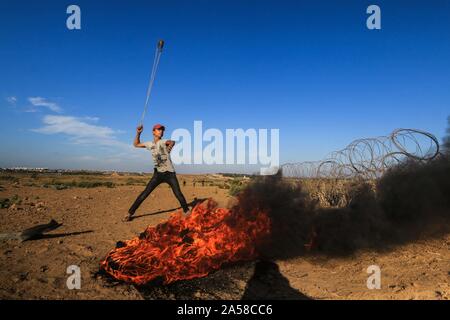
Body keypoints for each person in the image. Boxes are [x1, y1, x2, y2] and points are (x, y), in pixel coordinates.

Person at [123, 123, 190, 221]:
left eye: (162, 130)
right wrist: (138, 133)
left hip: (169, 173)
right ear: (153, 132)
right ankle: (129, 213)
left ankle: (187, 211)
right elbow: (136, 144)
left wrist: (169, 148)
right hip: (158, 174)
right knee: (145, 193)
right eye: (158, 129)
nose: (161, 131)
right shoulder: (150, 144)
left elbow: (171, 142)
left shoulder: (162, 142)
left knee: (178, 193)